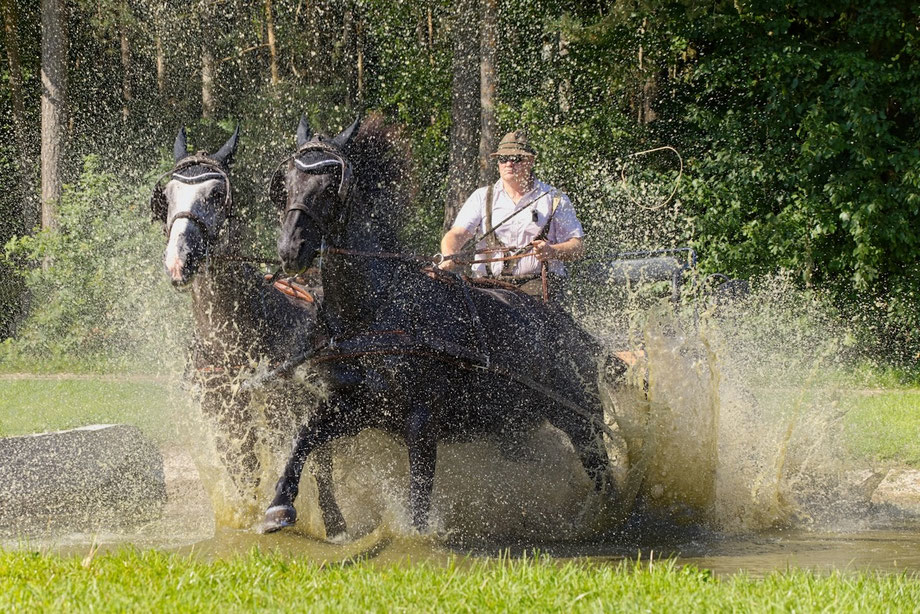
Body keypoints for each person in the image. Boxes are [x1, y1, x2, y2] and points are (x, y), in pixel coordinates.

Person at [439, 130, 584, 299]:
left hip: (538, 289)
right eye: (503, 159)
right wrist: (448, 255)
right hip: (486, 287)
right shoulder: (481, 197)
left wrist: (552, 251)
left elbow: (578, 247)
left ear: (530, 161)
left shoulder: (555, 198)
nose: (508, 163)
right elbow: (457, 234)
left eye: (515, 158)